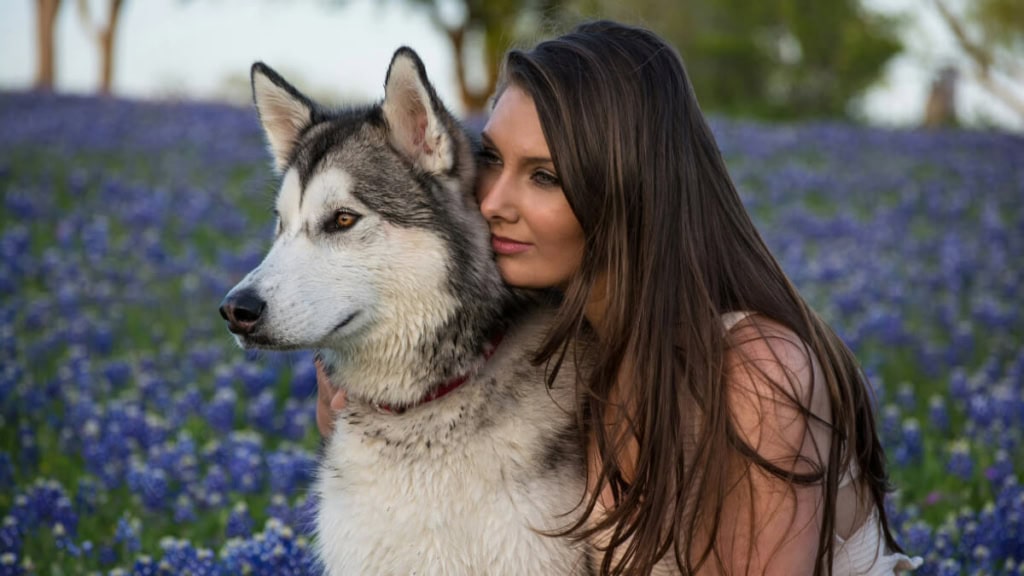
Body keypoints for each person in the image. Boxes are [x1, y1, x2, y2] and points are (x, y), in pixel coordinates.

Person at [315, 20, 922, 575]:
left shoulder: (758, 373)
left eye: (544, 176)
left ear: (626, 192)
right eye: (492, 158)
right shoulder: (555, 351)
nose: (493, 200)